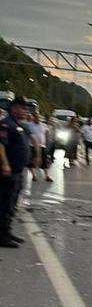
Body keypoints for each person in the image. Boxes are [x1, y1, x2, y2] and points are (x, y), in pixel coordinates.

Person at [0, 97, 33, 248]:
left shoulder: (19, 125)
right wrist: (5, 164)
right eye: (23, 108)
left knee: (12, 204)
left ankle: (7, 231)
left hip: (18, 171)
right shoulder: (6, 124)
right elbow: (1, 145)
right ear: (14, 108)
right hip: (9, 171)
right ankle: (1, 236)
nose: (26, 111)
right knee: (5, 204)